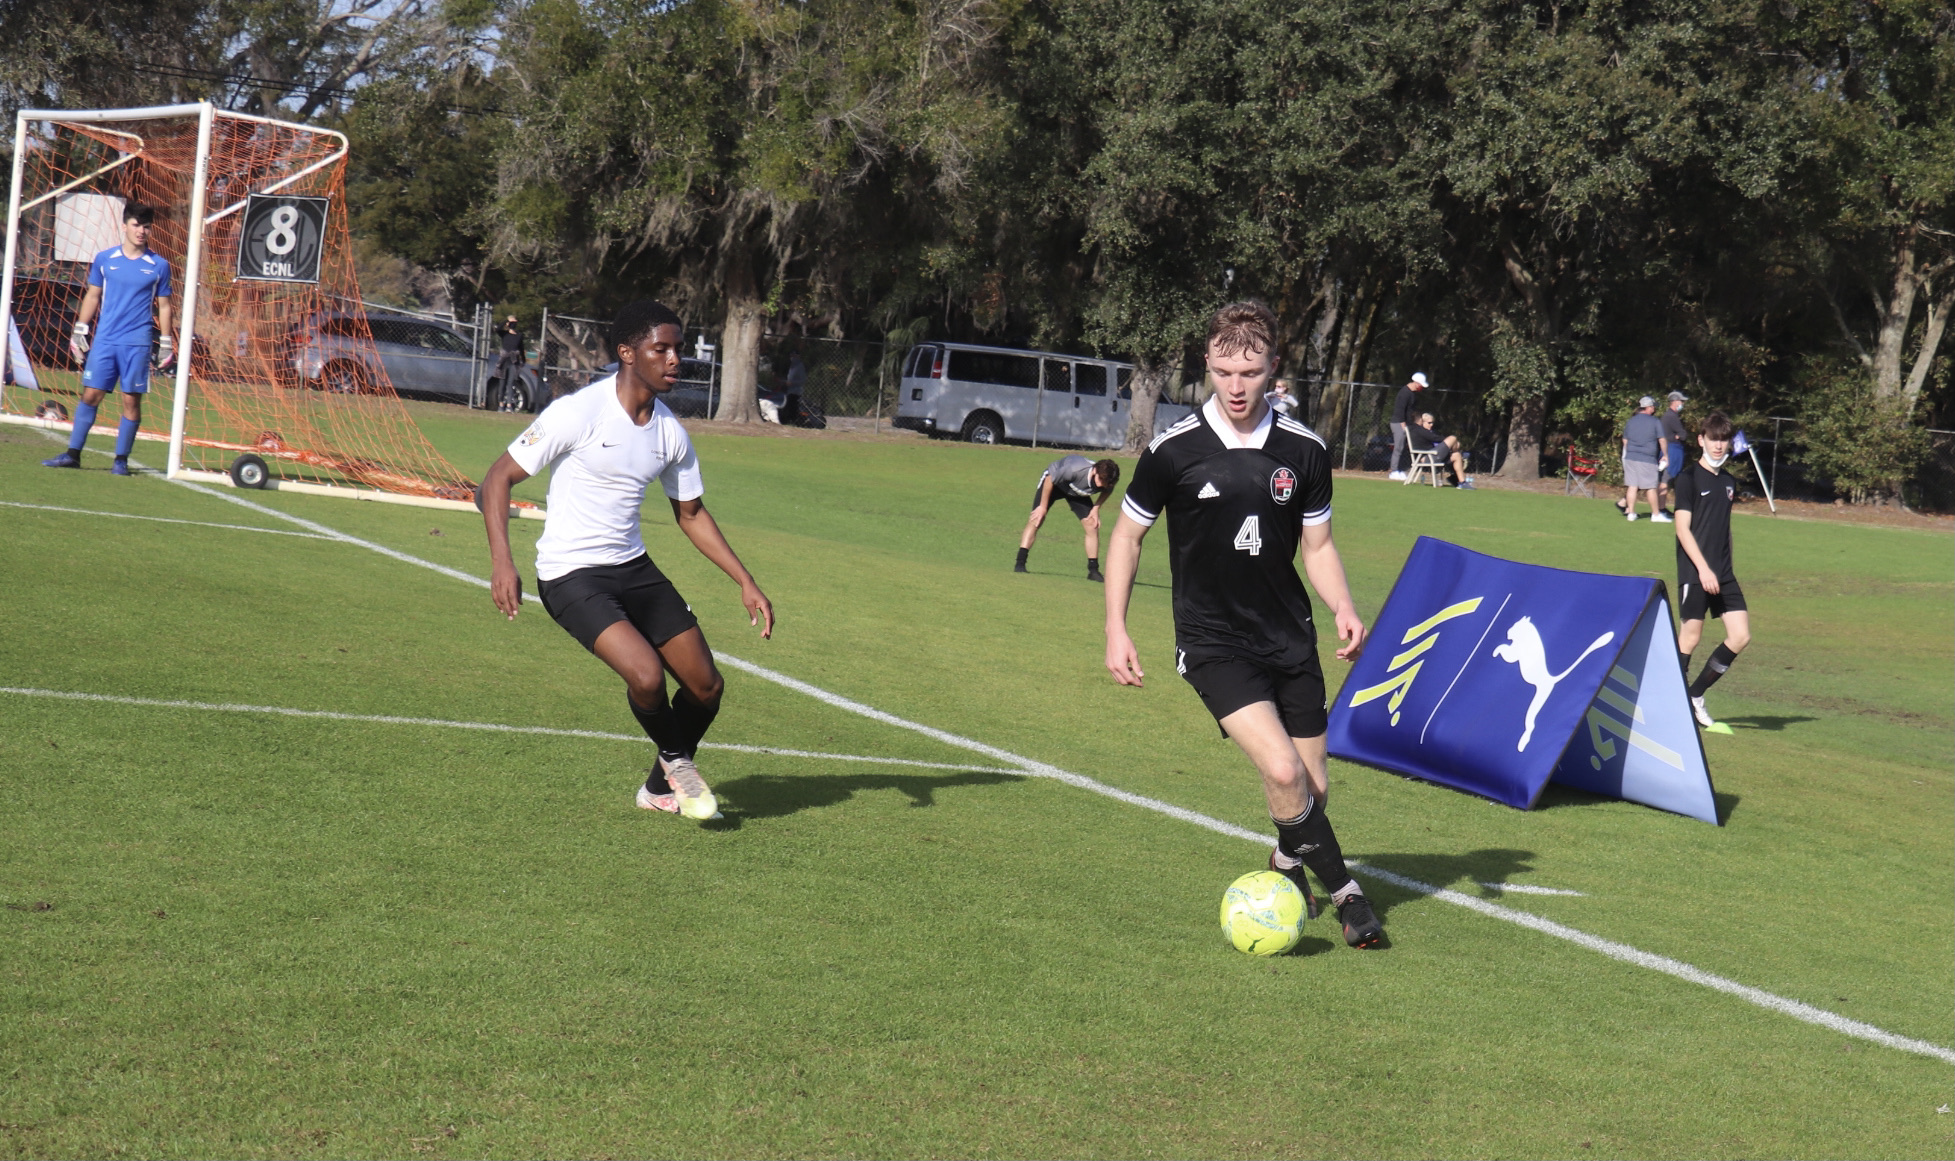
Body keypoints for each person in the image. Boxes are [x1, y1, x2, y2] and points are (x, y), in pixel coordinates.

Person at [1103, 301, 1383, 950]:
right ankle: (1348, 896)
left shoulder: (1303, 450)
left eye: (1250, 371)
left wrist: (1341, 604)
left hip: (1288, 634)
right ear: (1206, 364)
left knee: (1313, 786)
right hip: (1212, 642)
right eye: (1223, 370)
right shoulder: (1174, 451)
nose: (1235, 385)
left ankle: (1285, 863)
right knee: (1284, 774)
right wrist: (1115, 628)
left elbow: (1316, 547)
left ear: (1272, 369)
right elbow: (1125, 537)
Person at [478, 299, 775, 821]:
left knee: (706, 686)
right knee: (646, 677)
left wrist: (745, 581)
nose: (674, 359)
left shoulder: (670, 433)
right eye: (660, 349)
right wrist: (503, 561)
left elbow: (691, 514)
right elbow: (496, 479)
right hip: (570, 574)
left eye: (678, 349)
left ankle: (659, 788)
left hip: (633, 568)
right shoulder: (578, 412)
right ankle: (681, 766)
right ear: (627, 353)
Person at [41, 202, 174, 475]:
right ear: (124, 226)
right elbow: (92, 295)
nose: (141, 231)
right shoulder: (105, 259)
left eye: (146, 226)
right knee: (91, 395)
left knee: (130, 401)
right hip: (105, 340)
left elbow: (164, 306)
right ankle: (72, 454)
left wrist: (166, 343)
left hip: (137, 343)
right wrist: (80, 330)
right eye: (137, 225)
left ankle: (121, 460)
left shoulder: (158, 265)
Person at [1673, 410, 1750, 731]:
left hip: (1723, 573)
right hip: (1695, 573)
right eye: (1713, 439)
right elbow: (1682, 529)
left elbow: (1724, 529)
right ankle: (1668, 698)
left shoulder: (1730, 483)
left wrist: (1725, 566)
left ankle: (1694, 695)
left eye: (1724, 440)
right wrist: (1703, 569)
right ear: (1701, 440)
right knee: (1690, 637)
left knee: (1741, 636)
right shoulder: (1688, 479)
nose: (1718, 446)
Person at [1016, 454, 1121, 581]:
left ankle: (1093, 571)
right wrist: (1042, 507)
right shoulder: (1074, 470)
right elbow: (1050, 479)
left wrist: (1096, 508)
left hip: (1076, 492)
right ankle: (1020, 563)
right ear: (1094, 471)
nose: (1102, 485)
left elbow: (1107, 491)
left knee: (1091, 525)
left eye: (1106, 483)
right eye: (1101, 480)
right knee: (1037, 519)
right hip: (1054, 484)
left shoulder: (1107, 481)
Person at [1619, 396, 1669, 522]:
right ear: (1648, 407)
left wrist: (1631, 450)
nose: (1654, 408)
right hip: (1647, 458)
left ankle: (1631, 513)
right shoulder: (1655, 421)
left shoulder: (1631, 421)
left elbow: (1625, 439)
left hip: (1631, 457)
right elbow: (1662, 439)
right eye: (1653, 406)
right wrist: (1665, 454)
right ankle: (1656, 514)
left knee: (1632, 486)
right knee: (1651, 487)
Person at [1407, 412, 1475, 488]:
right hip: (1428, 457)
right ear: (1421, 421)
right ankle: (1457, 452)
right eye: (1429, 423)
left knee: (1457, 455)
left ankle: (1461, 482)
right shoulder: (1419, 430)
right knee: (1453, 438)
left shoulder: (1418, 430)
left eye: (1432, 423)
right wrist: (1452, 443)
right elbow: (1436, 438)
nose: (1431, 425)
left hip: (1432, 455)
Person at [1388, 371, 1427, 481]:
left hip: (1405, 424)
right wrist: (1403, 424)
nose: (1421, 388)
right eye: (1421, 385)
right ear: (1416, 383)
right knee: (1398, 447)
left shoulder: (1412, 394)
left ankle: (1399, 470)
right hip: (1398, 423)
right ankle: (1393, 471)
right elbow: (1400, 409)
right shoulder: (1404, 392)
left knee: (1403, 448)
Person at [1659, 390, 1688, 513]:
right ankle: (1661, 508)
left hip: (1669, 449)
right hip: (1672, 450)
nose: (1682, 403)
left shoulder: (1668, 416)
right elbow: (1683, 434)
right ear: (1675, 402)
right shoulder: (1671, 417)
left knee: (1666, 479)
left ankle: (1661, 508)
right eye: (1681, 401)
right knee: (1666, 479)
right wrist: (1677, 436)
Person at [493, 316, 526, 411]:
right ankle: (501, 404)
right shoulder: (504, 334)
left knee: (511, 384)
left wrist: (523, 360)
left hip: (513, 362)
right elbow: (498, 328)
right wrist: (507, 320)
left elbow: (521, 348)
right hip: (504, 362)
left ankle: (509, 405)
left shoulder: (519, 335)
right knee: (502, 384)